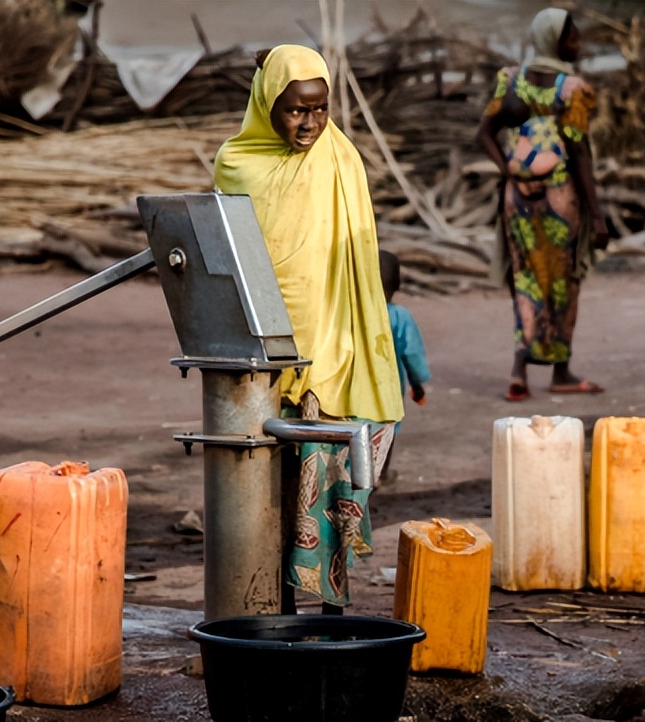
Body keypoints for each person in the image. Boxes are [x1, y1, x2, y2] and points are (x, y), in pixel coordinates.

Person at [213, 45, 404, 612]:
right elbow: (226, 262)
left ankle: (332, 617)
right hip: (257, 348)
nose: (310, 123)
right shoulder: (236, 162)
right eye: (296, 110)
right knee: (259, 488)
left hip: (329, 349)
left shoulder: (340, 160)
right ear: (268, 104)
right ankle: (266, 612)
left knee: (322, 483)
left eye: (320, 110)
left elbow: (352, 261)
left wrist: (334, 351)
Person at [477, 7, 609, 402]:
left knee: (525, 277)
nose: (577, 44)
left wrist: (507, 170)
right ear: (553, 39)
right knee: (562, 279)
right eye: (572, 37)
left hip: (517, 197)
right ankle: (561, 372)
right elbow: (579, 152)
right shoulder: (571, 90)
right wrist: (597, 215)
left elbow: (484, 134)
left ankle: (519, 371)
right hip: (558, 194)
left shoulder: (511, 81)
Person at [377, 250, 430, 484]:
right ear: (397, 285)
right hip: (389, 388)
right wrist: (418, 383)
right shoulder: (399, 316)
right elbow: (411, 352)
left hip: (354, 387)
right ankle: (381, 472)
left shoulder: (353, 314)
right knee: (389, 427)